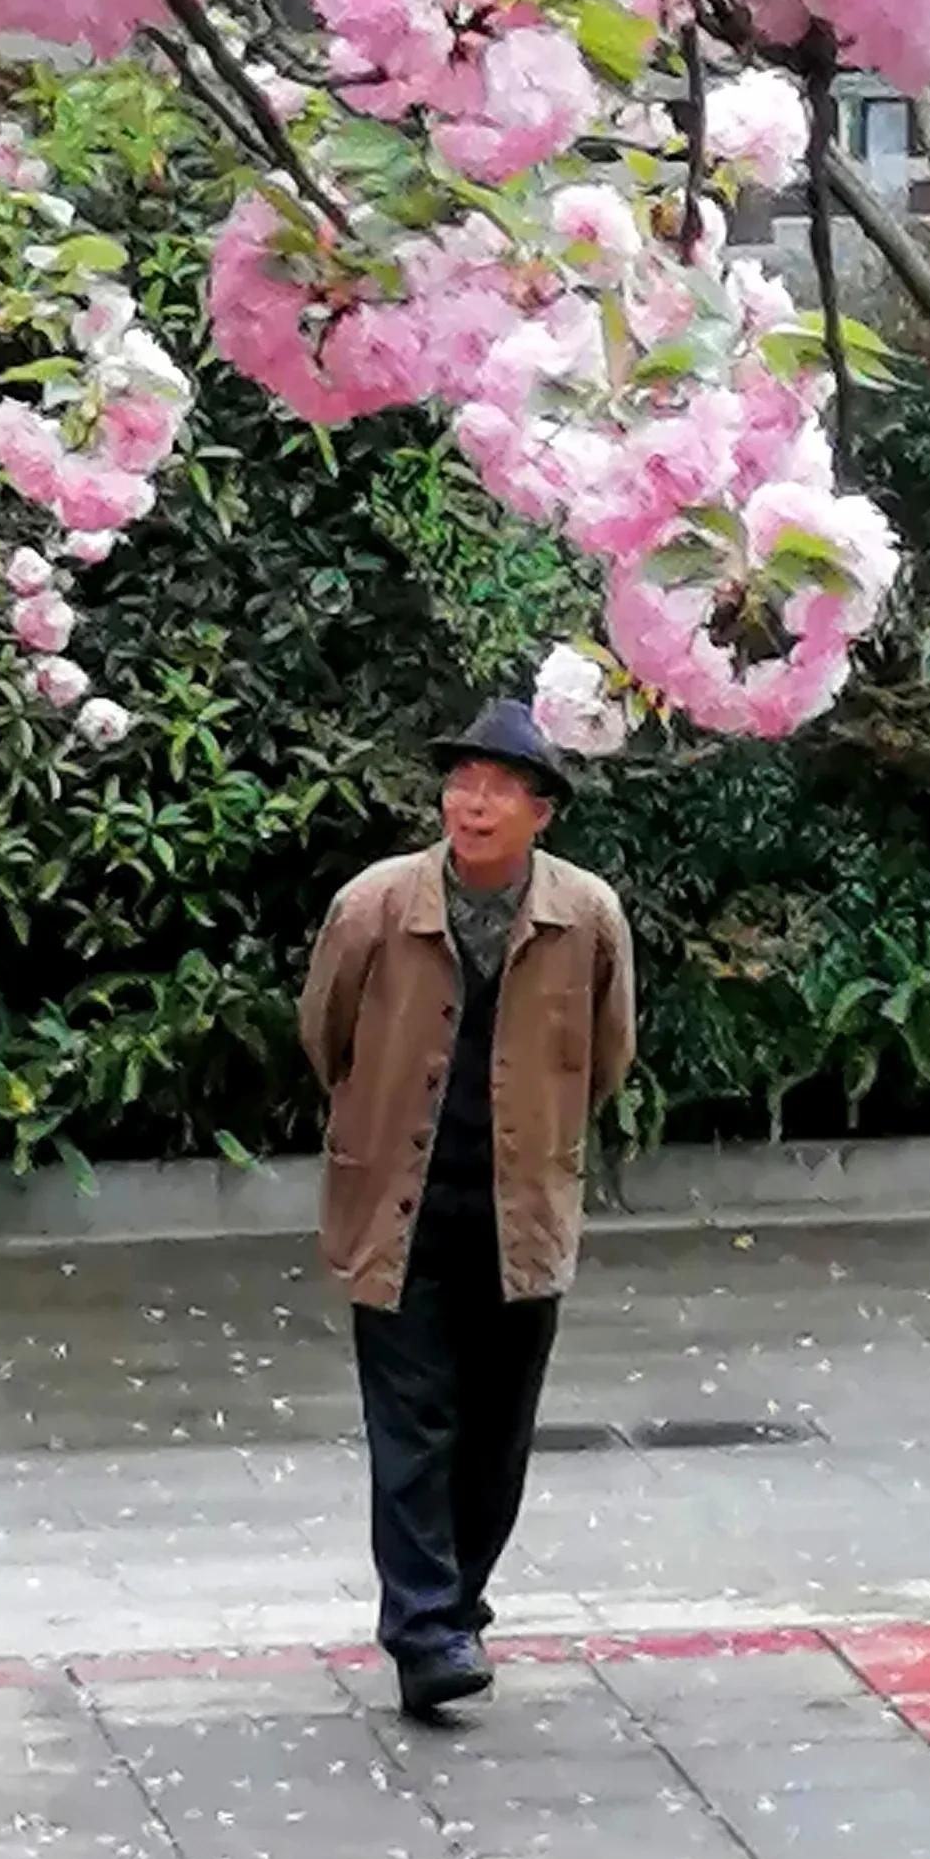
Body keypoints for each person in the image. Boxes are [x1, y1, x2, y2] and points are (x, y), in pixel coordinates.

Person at [300, 698, 634, 1723]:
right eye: (460, 782)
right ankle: (425, 1630)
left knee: (495, 1432)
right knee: (412, 1426)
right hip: (397, 1206)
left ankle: (456, 1609)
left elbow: (608, 1057)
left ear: (543, 812)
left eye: (497, 787)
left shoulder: (585, 918)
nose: (472, 802)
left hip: (522, 1209)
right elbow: (326, 1033)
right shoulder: (374, 906)